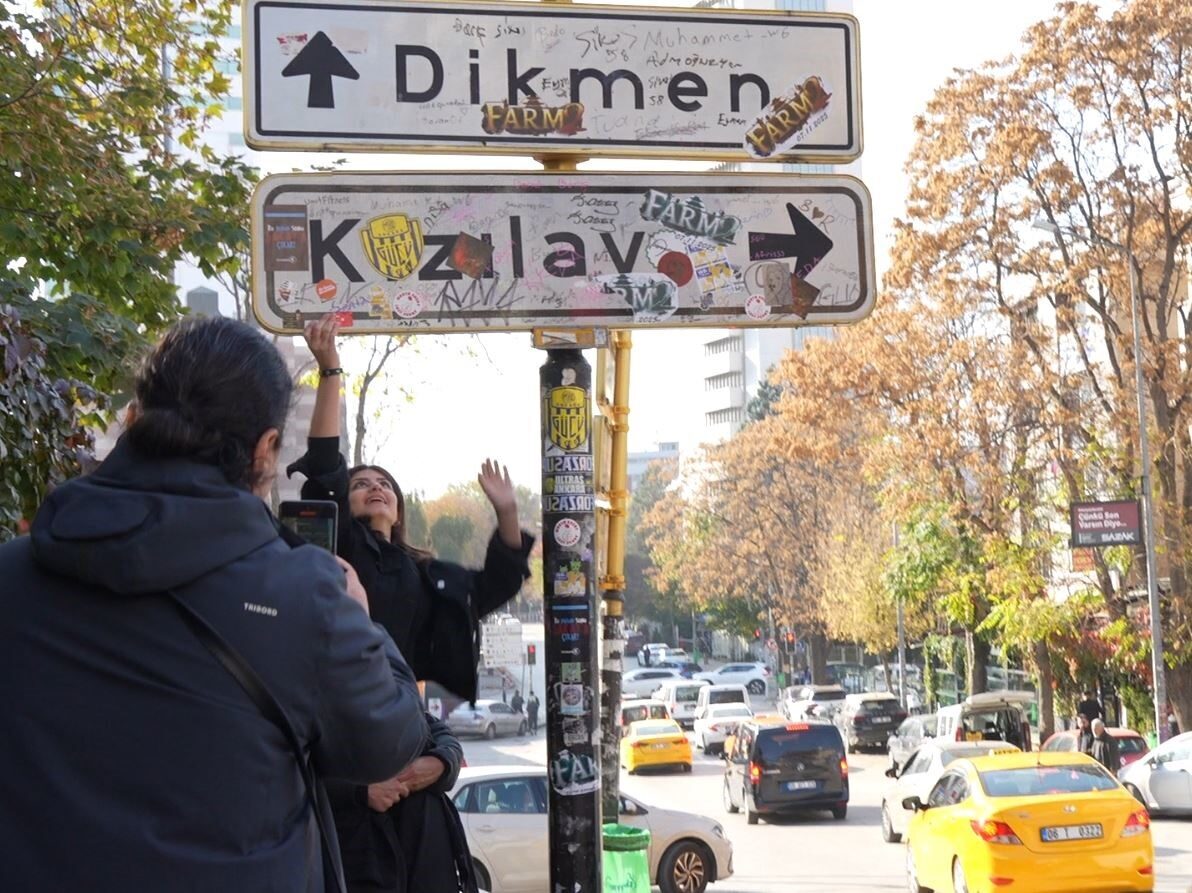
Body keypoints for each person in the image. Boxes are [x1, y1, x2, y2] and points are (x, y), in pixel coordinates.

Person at [0, 317, 430, 892]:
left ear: (134, 418)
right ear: (265, 449)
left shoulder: (13, 574)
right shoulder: (305, 596)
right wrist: (363, 617)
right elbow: (387, 742)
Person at [289, 317, 534, 893]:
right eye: (361, 484)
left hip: (411, 771)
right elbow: (323, 463)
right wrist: (330, 370)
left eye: (385, 484)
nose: (375, 488)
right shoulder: (335, 550)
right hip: (343, 743)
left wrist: (506, 513)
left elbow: (492, 587)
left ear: (399, 508)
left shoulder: (426, 577)